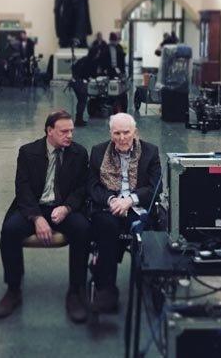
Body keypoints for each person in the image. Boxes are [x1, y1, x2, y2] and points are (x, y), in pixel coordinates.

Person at [0, 111, 91, 323]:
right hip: (34, 206)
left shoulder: (79, 153)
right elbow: (23, 188)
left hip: (63, 208)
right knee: (10, 231)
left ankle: (75, 290)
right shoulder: (28, 152)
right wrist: (37, 218)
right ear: (49, 131)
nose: (70, 135)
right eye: (64, 131)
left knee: (83, 229)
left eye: (71, 131)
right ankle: (13, 289)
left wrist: (67, 207)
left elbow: (82, 188)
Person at [87, 113, 161, 312]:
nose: (122, 138)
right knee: (106, 226)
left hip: (138, 206)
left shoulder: (150, 152)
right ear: (111, 134)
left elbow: (155, 187)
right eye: (117, 133)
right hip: (108, 207)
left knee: (149, 227)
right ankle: (107, 289)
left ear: (135, 132)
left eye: (126, 132)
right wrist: (112, 200)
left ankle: (151, 276)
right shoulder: (98, 152)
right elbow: (93, 186)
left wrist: (129, 200)